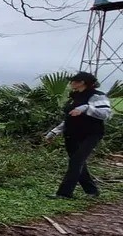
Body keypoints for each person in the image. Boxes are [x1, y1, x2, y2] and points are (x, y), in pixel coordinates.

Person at [44, 71, 114, 199]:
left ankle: (64, 193)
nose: (71, 83)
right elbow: (70, 118)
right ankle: (91, 191)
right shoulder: (75, 96)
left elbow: (105, 113)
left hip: (91, 134)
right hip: (72, 134)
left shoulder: (97, 96)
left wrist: (86, 108)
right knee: (77, 162)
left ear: (82, 82)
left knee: (76, 161)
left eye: (73, 81)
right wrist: (54, 132)